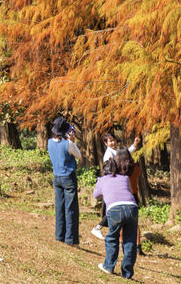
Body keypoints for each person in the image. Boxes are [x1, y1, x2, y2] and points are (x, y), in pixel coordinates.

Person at [92, 148, 139, 279]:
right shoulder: (124, 178)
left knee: (112, 237)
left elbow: (96, 195)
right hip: (132, 207)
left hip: (115, 209)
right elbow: (129, 191)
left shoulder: (102, 179)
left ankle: (108, 266)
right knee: (130, 240)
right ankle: (127, 273)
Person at [92, 131, 140, 240]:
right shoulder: (108, 155)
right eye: (110, 141)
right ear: (105, 143)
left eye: (114, 140)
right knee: (111, 210)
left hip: (115, 184)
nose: (113, 143)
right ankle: (98, 228)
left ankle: (100, 228)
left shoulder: (115, 152)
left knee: (112, 210)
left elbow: (124, 154)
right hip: (112, 185)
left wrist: (134, 145)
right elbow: (108, 171)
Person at [47, 116, 81, 246]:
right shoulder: (68, 144)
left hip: (56, 176)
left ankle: (59, 235)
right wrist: (72, 141)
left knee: (59, 207)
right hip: (68, 177)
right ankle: (70, 239)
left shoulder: (49, 142)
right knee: (71, 208)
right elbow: (79, 155)